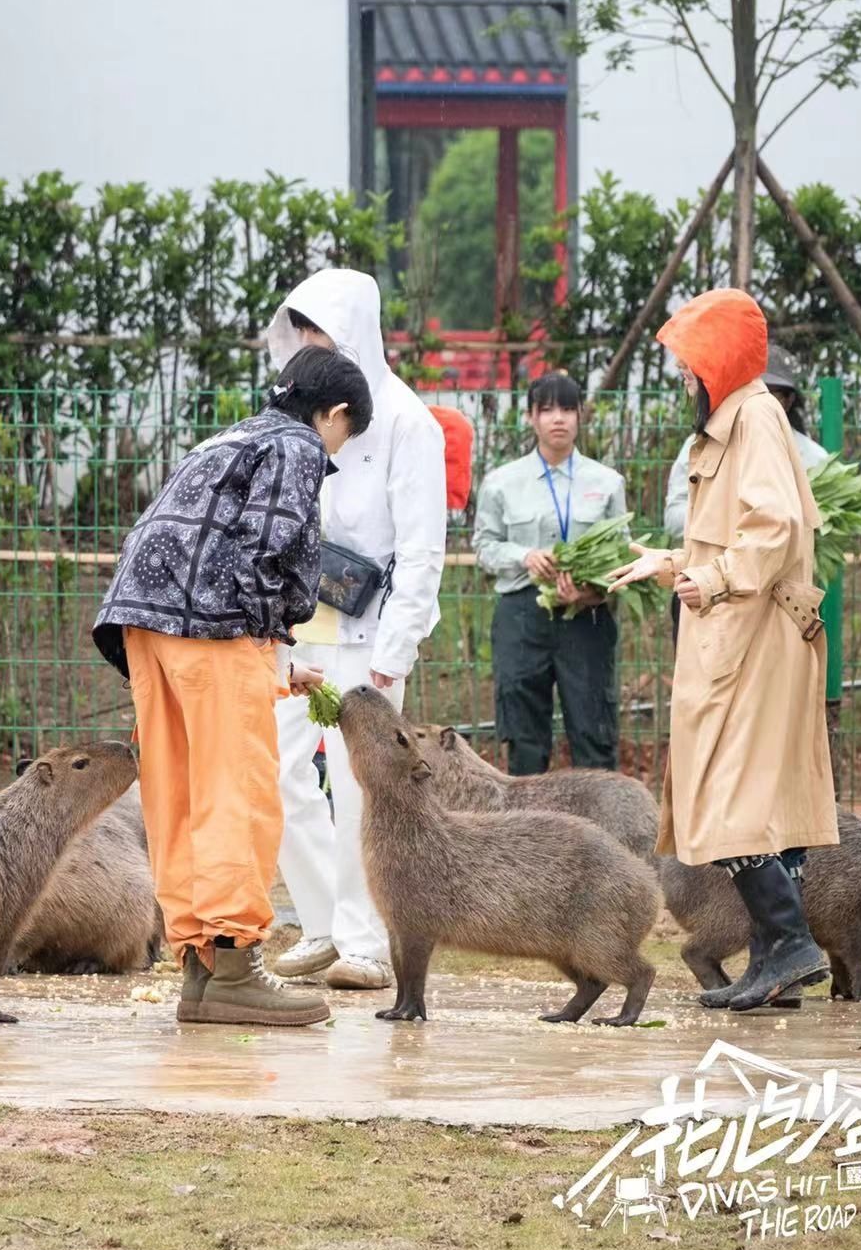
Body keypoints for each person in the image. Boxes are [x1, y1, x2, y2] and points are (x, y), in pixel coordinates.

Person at [94, 345, 372, 1027]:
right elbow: (266, 549)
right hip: (215, 627)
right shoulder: (298, 446)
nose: (337, 448)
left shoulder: (230, 436)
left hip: (144, 626)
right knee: (236, 790)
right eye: (345, 434)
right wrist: (267, 638)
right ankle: (236, 961)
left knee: (179, 790)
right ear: (332, 414)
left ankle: (199, 966)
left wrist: (276, 663)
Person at [608, 288, 839, 1013]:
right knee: (747, 799)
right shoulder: (733, 420)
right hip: (736, 632)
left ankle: (789, 942)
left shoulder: (756, 418)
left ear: (720, 359)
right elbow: (733, 535)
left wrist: (708, 576)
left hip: (753, 639)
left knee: (731, 795)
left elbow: (772, 531)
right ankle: (777, 959)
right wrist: (674, 562)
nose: (682, 375)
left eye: (688, 361)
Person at [257, 270, 447, 991]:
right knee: (279, 774)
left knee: (361, 785)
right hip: (299, 627)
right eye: (300, 331)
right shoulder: (297, 412)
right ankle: (323, 922)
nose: (309, 344)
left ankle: (367, 939)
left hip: (368, 637)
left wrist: (395, 654)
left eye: (322, 331)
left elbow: (423, 547)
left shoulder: (406, 421)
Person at [471, 373, 628, 776]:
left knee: (593, 729)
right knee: (524, 738)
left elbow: (621, 554)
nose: (558, 419)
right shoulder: (501, 483)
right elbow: (485, 546)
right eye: (547, 410)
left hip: (587, 617)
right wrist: (525, 556)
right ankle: (532, 834)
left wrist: (593, 591)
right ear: (530, 418)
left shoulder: (607, 483)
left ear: (580, 416)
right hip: (522, 617)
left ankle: (607, 835)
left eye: (567, 409)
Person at [662, 344, 830, 640]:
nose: (757, 399)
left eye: (770, 393)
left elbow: (789, 529)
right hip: (703, 587)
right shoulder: (702, 444)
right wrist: (726, 529)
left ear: (788, 401)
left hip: (776, 596)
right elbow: (676, 513)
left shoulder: (813, 458)